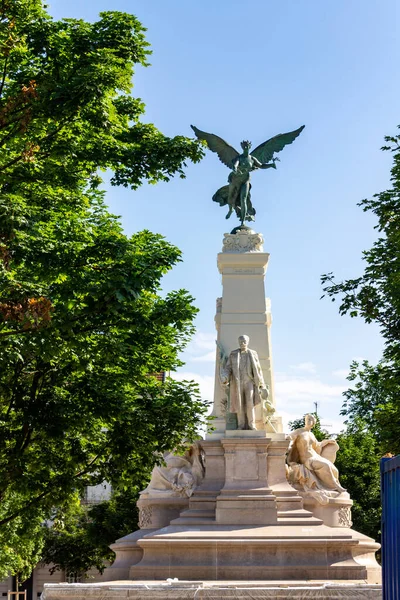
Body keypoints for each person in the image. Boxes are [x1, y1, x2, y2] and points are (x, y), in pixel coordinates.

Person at [287, 414, 345, 494]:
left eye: (310, 419)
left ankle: (331, 486)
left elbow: (317, 446)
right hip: (307, 459)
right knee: (326, 465)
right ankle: (334, 486)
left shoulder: (311, 434)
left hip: (315, 456)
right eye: (307, 419)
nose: (308, 421)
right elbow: (289, 438)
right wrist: (288, 445)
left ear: (313, 423)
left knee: (334, 469)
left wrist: (326, 442)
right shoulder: (299, 431)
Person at [221, 334, 269, 430]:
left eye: (244, 341)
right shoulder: (234, 354)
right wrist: (225, 376)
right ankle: (241, 425)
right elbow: (228, 367)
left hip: (249, 382)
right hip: (237, 382)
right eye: (240, 342)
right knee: (239, 404)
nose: (242, 343)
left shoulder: (253, 353)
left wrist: (262, 385)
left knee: (250, 403)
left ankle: (251, 424)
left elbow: (258, 370)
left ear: (247, 342)